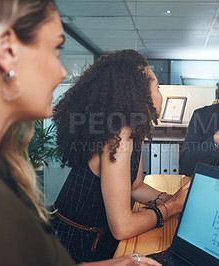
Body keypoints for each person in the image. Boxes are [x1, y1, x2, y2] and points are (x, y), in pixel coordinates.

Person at [0, 0, 160, 265]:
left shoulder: (5, 164)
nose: (62, 73)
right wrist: (169, 208)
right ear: (7, 51)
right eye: (55, 49)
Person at [51, 49, 189, 263]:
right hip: (75, 245)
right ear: (139, 94)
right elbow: (122, 227)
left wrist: (177, 200)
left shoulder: (134, 130)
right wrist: (171, 207)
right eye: (157, 87)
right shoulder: (117, 136)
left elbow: (136, 187)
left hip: (98, 237)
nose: (161, 94)